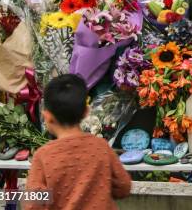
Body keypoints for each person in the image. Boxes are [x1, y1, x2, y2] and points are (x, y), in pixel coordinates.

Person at [24, 74, 132, 209]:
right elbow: (123, 187)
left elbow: (33, 205)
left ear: (47, 116)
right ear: (86, 111)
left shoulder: (43, 155)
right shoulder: (101, 147)